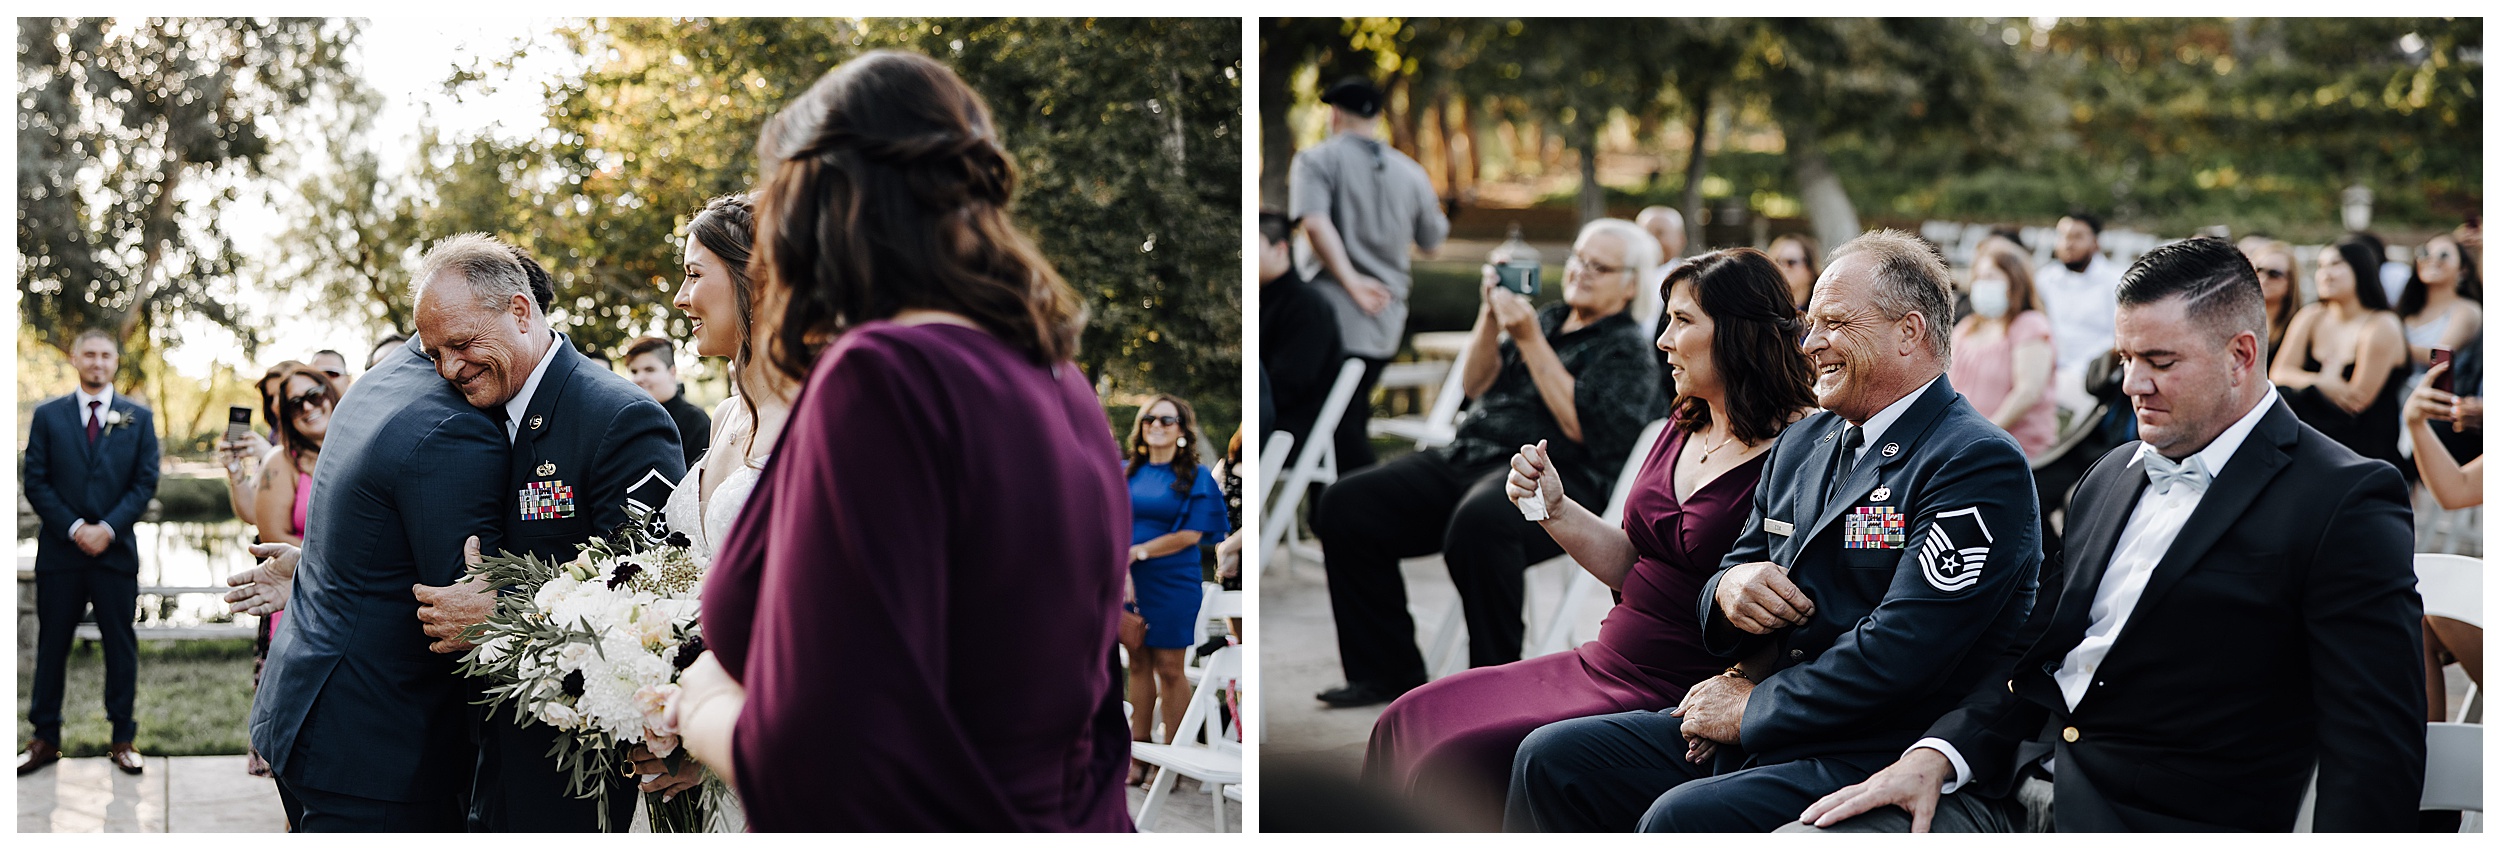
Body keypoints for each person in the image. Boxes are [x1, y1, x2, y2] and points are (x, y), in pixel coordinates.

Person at [1790, 236, 2424, 832]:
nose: (2131, 384)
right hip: (2005, 788)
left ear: (2241, 355)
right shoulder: (2111, 475)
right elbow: (2029, 651)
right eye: (2125, 358)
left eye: (2160, 361)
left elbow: (2373, 743)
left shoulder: (2343, 498)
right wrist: (1937, 755)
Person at [668, 49, 1133, 830]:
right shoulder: (1058, 377)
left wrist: (701, 703)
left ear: (821, 201)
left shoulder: (885, 378)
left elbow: (817, 762)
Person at [1504, 230, 2041, 833]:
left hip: (1871, 747)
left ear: (1909, 332)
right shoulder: (1805, 442)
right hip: (1766, 721)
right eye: (1810, 322)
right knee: (1552, 760)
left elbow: (1904, 650)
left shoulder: (1972, 460)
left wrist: (1754, 708)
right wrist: (1732, 588)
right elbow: (1722, 582)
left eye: (1834, 322)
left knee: (1678, 820)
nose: (1810, 343)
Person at [1362, 248, 1815, 826]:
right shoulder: (1682, 423)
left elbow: (1801, 605)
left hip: (1674, 688)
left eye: (1682, 321)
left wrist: (1740, 693)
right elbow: (1636, 565)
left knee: (1453, 759)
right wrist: (1554, 508)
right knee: (1405, 718)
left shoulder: (1804, 449)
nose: (1663, 341)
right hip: (1603, 659)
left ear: (1737, 333)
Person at [1311, 218, 1662, 708]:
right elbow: (1475, 386)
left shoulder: (1627, 350)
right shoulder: (1544, 318)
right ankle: (1385, 671)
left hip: (1555, 477)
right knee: (1347, 503)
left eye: (1599, 266)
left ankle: (1495, 692)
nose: (1581, 271)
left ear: (1631, 283)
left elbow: (1584, 429)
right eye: (1579, 258)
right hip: (1471, 455)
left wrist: (1530, 341)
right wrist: (1490, 317)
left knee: (1481, 523)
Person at [401, 234, 685, 832]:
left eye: (461, 344)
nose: (450, 368)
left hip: (571, 757)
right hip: (475, 744)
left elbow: (648, 599)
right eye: (434, 354)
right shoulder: (466, 408)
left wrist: (499, 613)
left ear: (521, 312)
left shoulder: (619, 418)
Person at [237, 331, 509, 830]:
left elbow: (375, 548)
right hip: (375, 742)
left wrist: (306, 568)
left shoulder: (370, 390)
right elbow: (453, 598)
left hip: (313, 713)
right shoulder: (450, 423)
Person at [1288, 74, 1450, 474]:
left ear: (1335, 115)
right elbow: (1433, 242)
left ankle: (1355, 510)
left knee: (1333, 424)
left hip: (1329, 312)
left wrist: (1352, 281)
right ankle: (1340, 513)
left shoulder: (1316, 159)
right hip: (1385, 317)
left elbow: (1314, 223)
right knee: (1348, 417)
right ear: (1377, 116)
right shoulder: (1412, 172)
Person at [20, 329, 161, 778]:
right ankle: (44, 738)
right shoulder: (47, 415)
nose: (98, 362)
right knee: (52, 644)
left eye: (105, 355)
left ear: (115, 362)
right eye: (90, 355)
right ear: (76, 359)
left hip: (116, 553)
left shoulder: (138, 417)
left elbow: (144, 482)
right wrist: (77, 527)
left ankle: (122, 738)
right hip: (61, 554)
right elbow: (36, 481)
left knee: (121, 646)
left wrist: (108, 528)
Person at [1119, 395, 1230, 784]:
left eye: (1167, 419)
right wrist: (1121, 562)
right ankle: (1138, 754)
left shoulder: (1196, 477)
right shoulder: (1124, 472)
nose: (1157, 424)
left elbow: (1193, 534)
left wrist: (1139, 551)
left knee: (1169, 668)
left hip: (1172, 581)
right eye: (1149, 418)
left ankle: (1173, 760)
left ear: (1182, 429)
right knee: (1136, 662)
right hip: (1129, 581)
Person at [2272, 236, 2408, 470]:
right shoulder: (2311, 316)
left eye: (2336, 264)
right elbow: (2278, 374)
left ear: (2361, 270)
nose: (2326, 273)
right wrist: (2322, 382)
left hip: (2364, 450)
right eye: (2321, 266)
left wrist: (2304, 383)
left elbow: (2356, 400)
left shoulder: (2382, 324)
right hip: (2313, 439)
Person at [1949, 246, 2059, 459]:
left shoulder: (2029, 325)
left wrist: (1983, 435)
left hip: (2009, 449)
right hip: (1960, 444)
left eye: (1990, 277)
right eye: (1979, 277)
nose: (1982, 284)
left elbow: (2028, 392)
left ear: (2014, 281)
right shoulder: (1968, 327)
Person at [1261, 209, 1346, 462]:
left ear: (1280, 250)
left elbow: (1289, 384)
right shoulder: (1261, 300)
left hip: (1289, 431)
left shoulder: (1306, 306)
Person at [2034, 212, 2123, 417]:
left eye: (2077, 237)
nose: (2068, 243)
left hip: (2094, 377)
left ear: (2095, 242)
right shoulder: (2046, 279)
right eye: (2062, 236)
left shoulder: (2115, 281)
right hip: (2049, 370)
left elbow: (2118, 337)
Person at [624, 335, 714, 468]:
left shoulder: (696, 421)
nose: (639, 378)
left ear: (672, 373)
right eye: (634, 371)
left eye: (649, 370)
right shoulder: (628, 419)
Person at [2397, 233, 2482, 368]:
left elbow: (2440, 357)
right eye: (2425, 253)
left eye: (2443, 255)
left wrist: (2388, 344)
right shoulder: (2408, 306)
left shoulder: (2466, 310)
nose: (2432, 260)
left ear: (2463, 269)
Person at [2241, 238, 2302, 369]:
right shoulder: (2238, 321)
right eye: (2258, 270)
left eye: (2274, 274)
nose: (2263, 278)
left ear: (2290, 283)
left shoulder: (2298, 324)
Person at [1767, 233, 1821, 315]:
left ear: (1810, 269)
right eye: (1776, 262)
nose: (1782, 268)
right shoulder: (1765, 311)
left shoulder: (1821, 312)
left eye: (1791, 262)